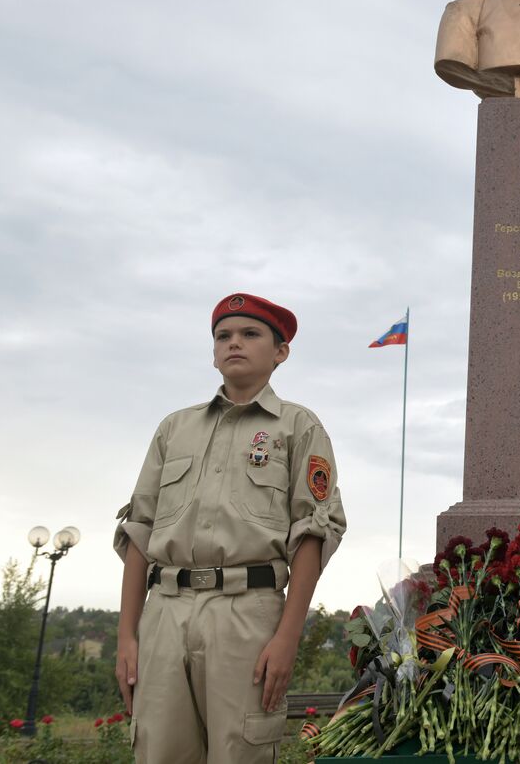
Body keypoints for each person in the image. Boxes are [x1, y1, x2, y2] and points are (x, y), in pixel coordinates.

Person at [113, 293, 347, 763]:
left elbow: (313, 531)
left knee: (241, 750)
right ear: (213, 351)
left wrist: (286, 637)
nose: (234, 343)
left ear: (280, 352)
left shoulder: (298, 427)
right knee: (157, 750)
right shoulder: (174, 429)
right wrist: (127, 636)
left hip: (248, 614)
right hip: (165, 612)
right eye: (224, 336)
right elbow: (139, 528)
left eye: (250, 334)